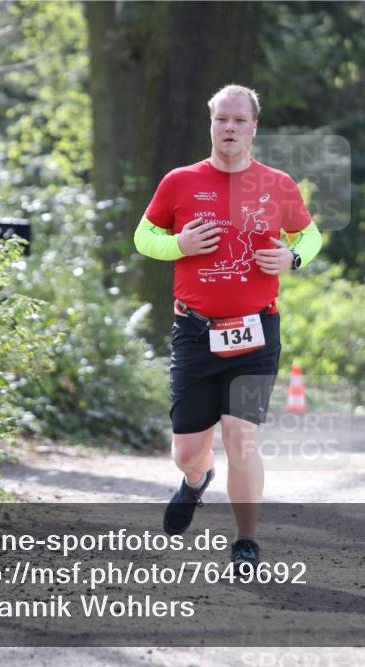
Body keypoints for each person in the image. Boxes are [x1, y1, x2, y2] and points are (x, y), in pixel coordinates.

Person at [133, 84, 322, 573]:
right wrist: (179, 245)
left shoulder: (278, 184)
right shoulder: (179, 182)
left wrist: (294, 256)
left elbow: (310, 234)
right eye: (222, 120)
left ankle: (246, 541)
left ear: (254, 127)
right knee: (188, 452)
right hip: (195, 333)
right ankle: (196, 481)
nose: (230, 128)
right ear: (211, 125)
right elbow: (144, 235)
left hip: (256, 334)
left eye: (239, 120)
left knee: (243, 439)